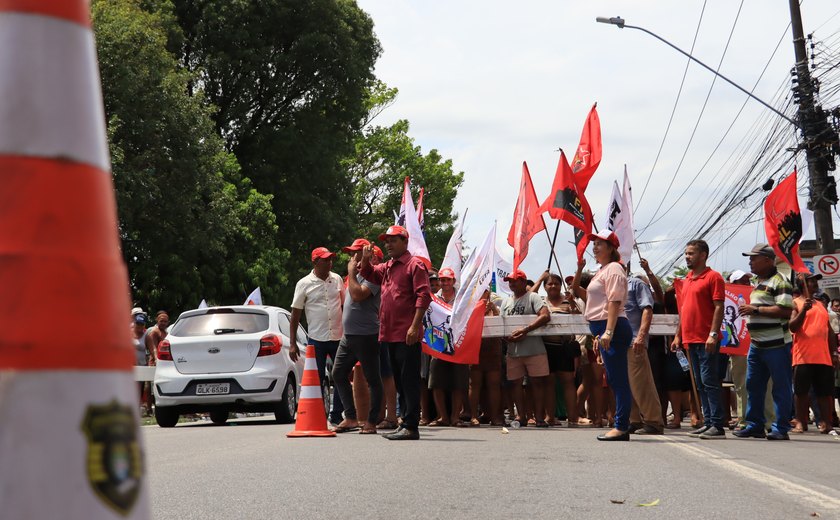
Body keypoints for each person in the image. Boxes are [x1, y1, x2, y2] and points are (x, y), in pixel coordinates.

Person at [360, 225, 431, 441]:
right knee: (400, 381)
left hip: (406, 333)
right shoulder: (389, 266)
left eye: (393, 240)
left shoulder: (414, 265)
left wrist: (414, 325)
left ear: (405, 241)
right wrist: (365, 258)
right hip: (389, 333)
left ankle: (411, 426)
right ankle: (406, 422)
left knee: (408, 380)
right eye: (386, 241)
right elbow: (369, 273)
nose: (388, 244)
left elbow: (424, 296)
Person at [733, 243, 794, 441]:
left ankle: (780, 427)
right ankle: (755, 424)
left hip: (777, 345)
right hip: (757, 345)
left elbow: (785, 311)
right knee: (753, 385)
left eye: (753, 258)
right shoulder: (759, 282)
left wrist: (756, 310)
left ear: (767, 260)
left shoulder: (780, 281)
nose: (750, 262)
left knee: (780, 387)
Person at [672, 239, 727, 439]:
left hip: (706, 339)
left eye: (691, 253)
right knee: (699, 383)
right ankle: (709, 422)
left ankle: (718, 425)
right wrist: (678, 335)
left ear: (703, 255)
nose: (687, 257)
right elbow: (683, 311)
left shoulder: (714, 277)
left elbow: (719, 307)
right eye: (686, 253)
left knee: (709, 381)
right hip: (689, 339)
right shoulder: (686, 280)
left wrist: (713, 334)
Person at [582, 229, 633, 441]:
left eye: (600, 244)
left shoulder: (613, 269)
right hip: (604, 329)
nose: (594, 247)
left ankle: (621, 426)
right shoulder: (603, 270)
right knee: (614, 378)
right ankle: (621, 424)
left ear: (611, 248)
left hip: (612, 328)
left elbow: (613, 302)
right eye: (594, 244)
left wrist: (609, 331)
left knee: (618, 380)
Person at [331, 239, 383, 435]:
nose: (352, 257)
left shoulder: (374, 275)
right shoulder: (354, 275)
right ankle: (351, 417)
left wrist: (352, 272)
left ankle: (371, 421)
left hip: (367, 335)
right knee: (337, 374)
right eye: (351, 253)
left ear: (367, 254)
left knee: (373, 379)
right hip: (349, 336)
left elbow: (358, 294)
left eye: (356, 252)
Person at [289, 247, 346, 425]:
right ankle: (319, 415)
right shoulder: (304, 283)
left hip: (338, 336)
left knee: (340, 376)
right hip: (316, 339)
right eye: (325, 260)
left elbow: (345, 307)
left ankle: (337, 415)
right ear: (315, 262)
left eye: (331, 259)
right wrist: (292, 343)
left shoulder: (336, 279)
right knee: (317, 379)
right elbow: (295, 315)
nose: (330, 263)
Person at [789, 273, 839, 434]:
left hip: (823, 357)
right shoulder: (796, 303)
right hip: (803, 356)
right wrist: (803, 310)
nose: (815, 283)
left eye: (815, 281)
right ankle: (800, 422)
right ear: (803, 284)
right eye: (811, 281)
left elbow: (829, 331)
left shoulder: (821, 305)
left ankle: (827, 423)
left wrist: (834, 352)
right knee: (801, 392)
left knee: (825, 393)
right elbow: (792, 326)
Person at [500, 269, 551, 427]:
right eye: (510, 281)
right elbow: (501, 325)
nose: (512, 284)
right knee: (515, 384)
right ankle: (521, 416)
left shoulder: (533, 297)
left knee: (537, 383)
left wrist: (525, 330)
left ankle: (539, 418)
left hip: (534, 349)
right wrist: (506, 337)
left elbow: (545, 315)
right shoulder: (506, 302)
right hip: (513, 351)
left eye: (515, 280)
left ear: (524, 281)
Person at [533, 271, 582, 427]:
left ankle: (573, 417)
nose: (553, 286)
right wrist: (540, 278)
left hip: (565, 347)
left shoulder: (568, 301)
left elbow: (578, 317)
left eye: (556, 283)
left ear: (561, 285)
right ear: (545, 287)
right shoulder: (540, 301)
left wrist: (573, 303)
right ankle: (550, 417)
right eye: (549, 283)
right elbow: (527, 297)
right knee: (549, 382)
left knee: (568, 382)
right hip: (546, 347)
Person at [428, 267, 469, 426]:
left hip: (458, 344)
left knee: (458, 382)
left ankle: (455, 417)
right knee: (437, 382)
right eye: (442, 280)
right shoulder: (432, 298)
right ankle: (443, 417)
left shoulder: (461, 298)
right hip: (437, 344)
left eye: (447, 280)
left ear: (453, 281)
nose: (444, 283)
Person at [625, 271, 665, 435]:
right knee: (626, 384)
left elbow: (647, 310)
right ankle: (635, 420)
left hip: (634, 341)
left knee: (641, 383)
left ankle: (653, 421)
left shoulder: (636, 284)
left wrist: (641, 337)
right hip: (618, 342)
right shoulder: (611, 285)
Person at [469, 294, 504, 426]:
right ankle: (473, 416)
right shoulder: (470, 304)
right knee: (474, 384)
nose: (484, 293)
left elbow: (501, 323)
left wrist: (494, 310)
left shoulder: (495, 303)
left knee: (494, 384)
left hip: (493, 347)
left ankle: (495, 417)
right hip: (475, 347)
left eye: (485, 290)